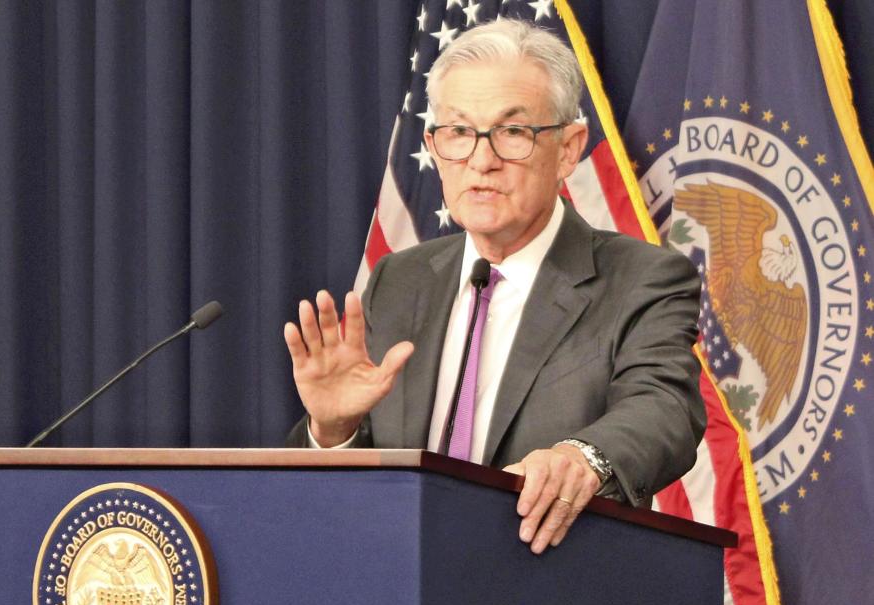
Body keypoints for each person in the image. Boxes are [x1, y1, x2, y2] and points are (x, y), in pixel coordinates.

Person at [285, 19, 705, 554]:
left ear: (569, 149)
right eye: (458, 132)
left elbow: (664, 408)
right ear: (434, 147)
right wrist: (334, 429)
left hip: (549, 601)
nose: (482, 161)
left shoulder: (640, 278)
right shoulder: (399, 279)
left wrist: (581, 458)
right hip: (399, 598)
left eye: (512, 132)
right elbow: (342, 496)